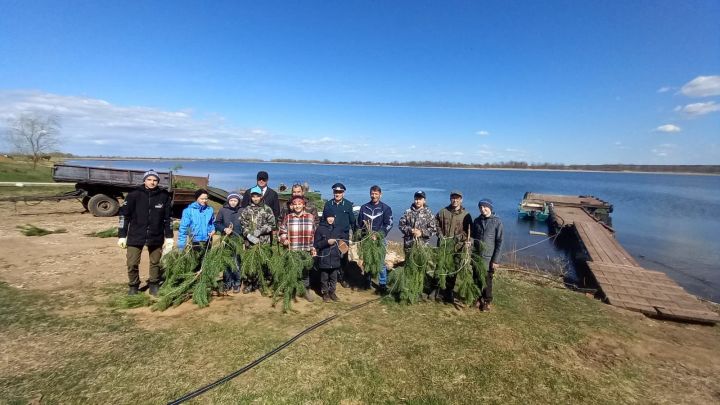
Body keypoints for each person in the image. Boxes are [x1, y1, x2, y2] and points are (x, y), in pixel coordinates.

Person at [117, 169, 174, 296]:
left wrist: (169, 237)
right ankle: (133, 286)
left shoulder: (164, 196)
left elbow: (168, 218)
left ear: (158, 182)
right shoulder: (134, 195)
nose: (152, 182)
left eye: (155, 180)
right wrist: (122, 235)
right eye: (149, 179)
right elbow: (123, 216)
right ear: (144, 180)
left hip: (156, 235)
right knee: (132, 263)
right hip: (136, 235)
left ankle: (154, 284)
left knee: (156, 262)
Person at [434, 190, 472, 303]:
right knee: (439, 267)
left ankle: (448, 292)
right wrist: (440, 234)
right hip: (443, 245)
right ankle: (436, 289)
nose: (455, 200)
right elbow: (435, 223)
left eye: (457, 198)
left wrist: (461, 239)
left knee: (452, 270)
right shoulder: (443, 211)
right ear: (450, 199)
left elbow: (469, 231)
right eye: (453, 198)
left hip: (456, 247)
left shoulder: (466, 215)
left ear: (461, 200)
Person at [279, 195, 317, 302]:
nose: (297, 206)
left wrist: (313, 248)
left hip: (306, 249)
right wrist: (284, 239)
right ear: (292, 206)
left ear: (303, 205)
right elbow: (282, 231)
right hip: (293, 250)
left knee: (305, 271)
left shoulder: (310, 217)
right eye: (295, 204)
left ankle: (305, 290)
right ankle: (292, 290)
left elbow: (314, 233)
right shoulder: (288, 217)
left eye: (299, 204)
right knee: (292, 271)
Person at [356, 185, 393, 293]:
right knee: (367, 261)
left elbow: (389, 224)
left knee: (380, 262)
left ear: (380, 195)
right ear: (370, 194)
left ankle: (382, 284)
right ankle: (366, 282)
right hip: (367, 240)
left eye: (376, 194)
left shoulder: (385, 208)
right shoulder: (364, 207)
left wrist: (378, 235)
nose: (374, 196)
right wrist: (362, 235)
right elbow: (359, 223)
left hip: (379, 240)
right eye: (372, 193)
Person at [239, 186, 276, 293]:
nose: (255, 198)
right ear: (251, 197)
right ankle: (250, 283)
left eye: (257, 196)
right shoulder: (246, 209)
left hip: (264, 242)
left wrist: (260, 231)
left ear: (261, 196)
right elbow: (242, 225)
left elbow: (272, 225)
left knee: (263, 263)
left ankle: (262, 284)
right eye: (253, 196)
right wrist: (249, 235)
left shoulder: (267, 209)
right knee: (251, 263)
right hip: (250, 242)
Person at [471, 198, 504, 311]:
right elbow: (473, 238)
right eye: (480, 207)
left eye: (485, 207)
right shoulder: (477, 221)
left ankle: (487, 301)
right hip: (477, 256)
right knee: (476, 278)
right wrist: (469, 244)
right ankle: (477, 298)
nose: (482, 209)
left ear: (490, 208)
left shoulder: (497, 222)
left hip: (489, 258)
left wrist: (496, 260)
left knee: (487, 280)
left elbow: (500, 242)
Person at [323, 183, 356, 288]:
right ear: (333, 192)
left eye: (340, 192)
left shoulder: (348, 204)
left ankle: (342, 277)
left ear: (343, 193)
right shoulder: (328, 204)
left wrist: (355, 234)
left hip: (343, 236)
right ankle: (330, 278)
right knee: (330, 256)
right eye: (336, 192)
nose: (337, 194)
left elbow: (353, 221)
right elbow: (323, 220)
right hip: (331, 235)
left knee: (343, 257)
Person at [314, 207, 348, 302]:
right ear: (325, 217)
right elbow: (316, 244)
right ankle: (325, 294)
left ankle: (332, 292)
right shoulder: (320, 229)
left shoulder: (338, 229)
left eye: (332, 217)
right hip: (324, 259)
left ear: (334, 217)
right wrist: (326, 242)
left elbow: (344, 239)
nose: (330, 219)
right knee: (324, 278)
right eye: (328, 217)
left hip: (335, 258)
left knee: (334, 278)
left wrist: (344, 246)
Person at [177, 189, 216, 269]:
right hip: (195, 240)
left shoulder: (210, 210)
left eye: (206, 198)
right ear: (197, 198)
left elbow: (211, 223)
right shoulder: (188, 211)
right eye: (202, 198)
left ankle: (204, 280)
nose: (204, 201)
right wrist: (181, 245)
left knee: (205, 262)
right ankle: (194, 279)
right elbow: (183, 228)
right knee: (195, 263)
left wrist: (213, 229)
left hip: (207, 239)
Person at [214, 191, 243, 293]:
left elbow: (245, 224)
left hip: (237, 239)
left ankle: (236, 282)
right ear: (228, 201)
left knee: (236, 261)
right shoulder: (223, 210)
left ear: (238, 201)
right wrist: (224, 229)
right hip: (226, 239)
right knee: (226, 260)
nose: (233, 202)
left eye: (235, 200)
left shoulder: (242, 210)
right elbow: (217, 223)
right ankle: (227, 282)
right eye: (231, 200)